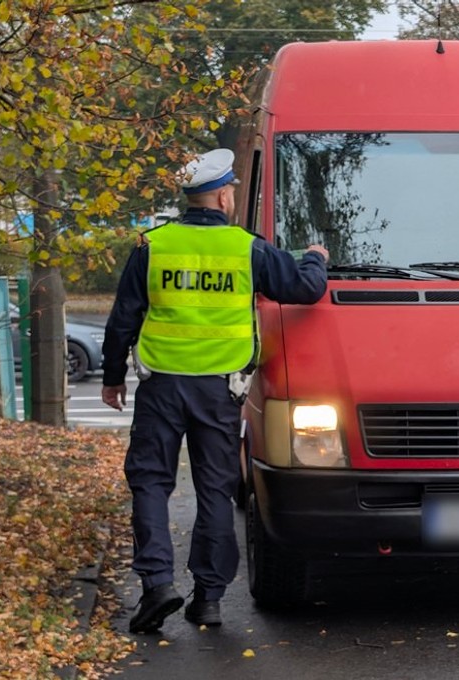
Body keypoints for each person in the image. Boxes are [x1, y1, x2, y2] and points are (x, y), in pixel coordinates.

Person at [100, 148, 330, 633]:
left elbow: (124, 317)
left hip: (161, 387)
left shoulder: (152, 246)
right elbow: (304, 289)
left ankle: (157, 585)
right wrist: (314, 258)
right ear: (224, 196)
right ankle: (208, 599)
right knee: (215, 489)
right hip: (219, 394)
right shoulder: (247, 248)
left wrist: (112, 376)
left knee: (150, 483)